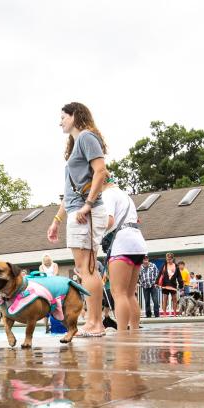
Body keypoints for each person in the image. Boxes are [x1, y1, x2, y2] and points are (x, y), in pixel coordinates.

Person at [45, 102, 108, 338]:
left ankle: (95, 323)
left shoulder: (86, 138)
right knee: (84, 268)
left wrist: (88, 204)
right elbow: (70, 191)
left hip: (86, 212)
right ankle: (93, 322)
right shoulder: (76, 145)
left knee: (87, 268)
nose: (59, 121)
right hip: (76, 210)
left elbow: (101, 171)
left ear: (75, 116)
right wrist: (56, 220)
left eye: (63, 117)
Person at [102, 177, 147, 332]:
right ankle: (134, 330)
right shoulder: (125, 196)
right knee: (129, 294)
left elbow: (108, 221)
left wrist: (94, 234)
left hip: (122, 243)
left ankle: (122, 332)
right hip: (137, 243)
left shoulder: (107, 194)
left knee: (118, 293)